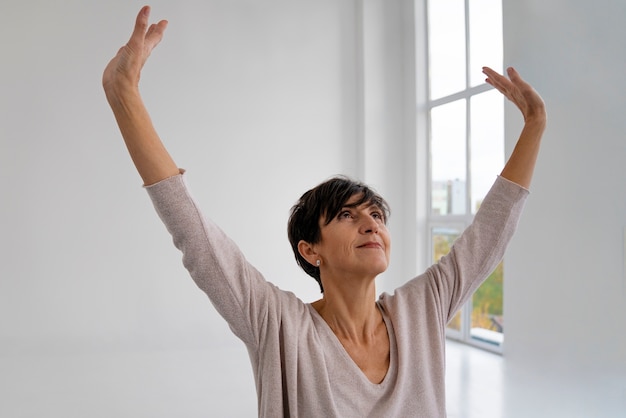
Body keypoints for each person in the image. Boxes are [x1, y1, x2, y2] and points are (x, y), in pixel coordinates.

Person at [103, 6, 546, 417]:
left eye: (376, 215)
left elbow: (490, 232)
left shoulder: (421, 310)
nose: (371, 223)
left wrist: (534, 126)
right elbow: (196, 238)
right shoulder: (279, 325)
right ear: (311, 250)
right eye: (348, 216)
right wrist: (124, 95)